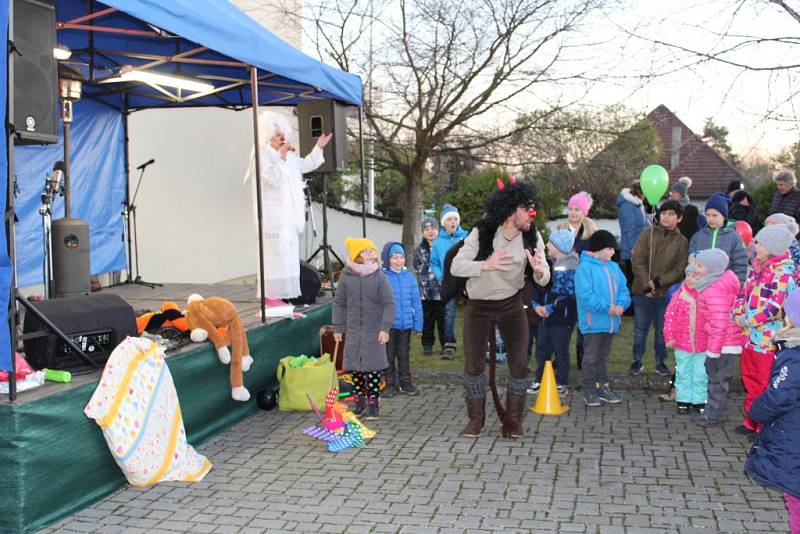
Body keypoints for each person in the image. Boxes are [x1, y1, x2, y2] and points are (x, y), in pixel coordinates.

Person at [451, 181, 550, 438]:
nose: (532, 213)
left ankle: (513, 421)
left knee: (519, 364)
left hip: (511, 305)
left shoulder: (532, 235)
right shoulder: (483, 232)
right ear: (510, 210)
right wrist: (485, 264)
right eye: (526, 208)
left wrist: (539, 270)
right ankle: (476, 420)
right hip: (478, 306)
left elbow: (544, 276)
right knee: (473, 365)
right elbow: (456, 266)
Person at [253, 113, 332, 302]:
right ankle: (272, 298)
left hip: (288, 218)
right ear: (267, 135)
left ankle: (285, 297)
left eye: (283, 133)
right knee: (274, 257)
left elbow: (306, 164)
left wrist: (318, 147)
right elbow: (271, 179)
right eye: (276, 133)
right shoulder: (262, 155)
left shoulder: (288, 157)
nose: (281, 137)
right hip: (273, 219)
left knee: (288, 259)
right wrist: (279, 157)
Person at [732, 225, 797, 436]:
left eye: (759, 243)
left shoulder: (783, 274)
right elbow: (743, 293)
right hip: (750, 337)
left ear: (772, 246)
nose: (754, 246)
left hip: (768, 339)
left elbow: (773, 307)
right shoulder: (758, 268)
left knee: (763, 380)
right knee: (750, 378)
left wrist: (747, 320)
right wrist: (737, 312)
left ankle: (763, 422)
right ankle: (751, 418)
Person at [744, 289, 800, 534]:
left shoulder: (794, 356)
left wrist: (756, 410)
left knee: (795, 500)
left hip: (793, 437)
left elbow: (779, 395)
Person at [332, 237, 395, 420]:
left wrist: (385, 328)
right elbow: (339, 303)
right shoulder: (346, 275)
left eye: (372, 250)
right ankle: (359, 402)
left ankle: (373, 403)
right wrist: (338, 327)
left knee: (373, 369)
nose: (370, 253)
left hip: (374, 331)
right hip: (353, 331)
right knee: (356, 369)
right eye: (365, 251)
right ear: (356, 255)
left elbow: (389, 304)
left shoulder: (379, 276)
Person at [629, 200, 689, 376]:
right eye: (664, 213)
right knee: (640, 330)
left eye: (671, 214)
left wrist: (658, 282)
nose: (666, 217)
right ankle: (637, 360)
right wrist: (646, 283)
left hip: (665, 295)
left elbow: (679, 270)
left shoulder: (681, 241)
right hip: (642, 292)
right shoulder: (647, 234)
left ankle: (660, 362)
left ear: (679, 218)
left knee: (662, 331)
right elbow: (637, 260)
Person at [575, 230, 631, 407]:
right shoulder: (584, 268)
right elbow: (586, 297)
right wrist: (608, 308)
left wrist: (622, 304)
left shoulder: (613, 267)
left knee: (603, 357)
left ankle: (602, 387)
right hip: (593, 323)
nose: (614, 252)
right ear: (598, 249)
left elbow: (624, 290)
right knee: (591, 357)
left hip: (611, 323)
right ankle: (589, 390)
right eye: (610, 249)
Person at [692, 249, 744, 427]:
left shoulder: (714, 291)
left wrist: (712, 354)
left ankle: (714, 413)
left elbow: (719, 325)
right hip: (721, 343)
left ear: (712, 269)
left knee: (718, 380)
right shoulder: (713, 285)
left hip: (723, 345)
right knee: (717, 378)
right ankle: (716, 411)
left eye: (699, 265)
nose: (694, 268)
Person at [530, 229, 579, 397]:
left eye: (551, 243)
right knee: (542, 349)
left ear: (560, 246)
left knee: (561, 351)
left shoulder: (571, 266)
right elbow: (539, 286)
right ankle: (539, 380)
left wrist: (550, 308)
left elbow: (568, 294)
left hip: (562, 320)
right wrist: (536, 305)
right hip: (544, 318)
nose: (547, 245)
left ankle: (561, 382)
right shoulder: (548, 264)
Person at [558, 191, 598, 367]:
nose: (573, 213)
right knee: (563, 324)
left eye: (577, 209)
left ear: (584, 212)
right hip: (563, 285)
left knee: (584, 323)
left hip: (585, 285)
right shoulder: (561, 229)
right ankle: (560, 357)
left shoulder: (592, 233)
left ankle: (582, 357)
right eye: (571, 209)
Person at [663, 264, 707, 414]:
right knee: (683, 372)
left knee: (701, 373)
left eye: (695, 276)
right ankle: (683, 400)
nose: (690, 278)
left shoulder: (707, 295)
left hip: (703, 343)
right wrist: (669, 336)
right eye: (688, 275)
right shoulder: (679, 296)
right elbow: (669, 317)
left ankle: (699, 400)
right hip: (682, 343)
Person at [381, 241, 423, 397]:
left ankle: (406, 383)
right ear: (387, 259)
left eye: (401, 257)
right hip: (389, 325)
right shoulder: (382, 277)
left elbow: (416, 302)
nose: (399, 261)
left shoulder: (409, 277)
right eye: (395, 258)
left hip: (406, 325)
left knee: (404, 354)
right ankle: (389, 383)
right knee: (389, 355)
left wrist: (418, 324)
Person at [430, 203, 469, 360]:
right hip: (449, 282)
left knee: (475, 312)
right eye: (449, 219)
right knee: (449, 313)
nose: (452, 222)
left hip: (467, 281)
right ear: (443, 223)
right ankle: (449, 344)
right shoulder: (438, 242)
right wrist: (441, 278)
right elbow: (434, 263)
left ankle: (477, 344)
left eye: (455, 219)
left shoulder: (466, 237)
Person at [689, 192, 748, 284]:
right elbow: (691, 262)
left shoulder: (734, 238)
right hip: (700, 286)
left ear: (724, 216)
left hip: (725, 287)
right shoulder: (697, 237)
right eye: (708, 215)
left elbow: (741, 265)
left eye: (715, 215)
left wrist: (738, 287)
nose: (710, 219)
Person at [413, 216, 445, 356]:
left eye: (433, 228)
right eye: (426, 229)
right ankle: (427, 345)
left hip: (442, 292)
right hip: (425, 293)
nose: (430, 231)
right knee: (427, 320)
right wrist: (431, 270)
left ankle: (446, 345)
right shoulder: (419, 249)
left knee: (443, 321)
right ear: (423, 232)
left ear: (438, 230)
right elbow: (418, 268)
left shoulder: (443, 247)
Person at [617, 181, 650, 286]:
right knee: (634, 283)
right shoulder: (628, 206)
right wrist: (634, 249)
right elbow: (629, 229)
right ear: (640, 192)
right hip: (632, 250)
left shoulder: (637, 204)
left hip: (640, 248)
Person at [669, 176, 706, 242]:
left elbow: (692, 230)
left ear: (681, 194)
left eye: (674, 192)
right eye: (671, 192)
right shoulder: (668, 207)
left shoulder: (692, 210)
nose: (671, 194)